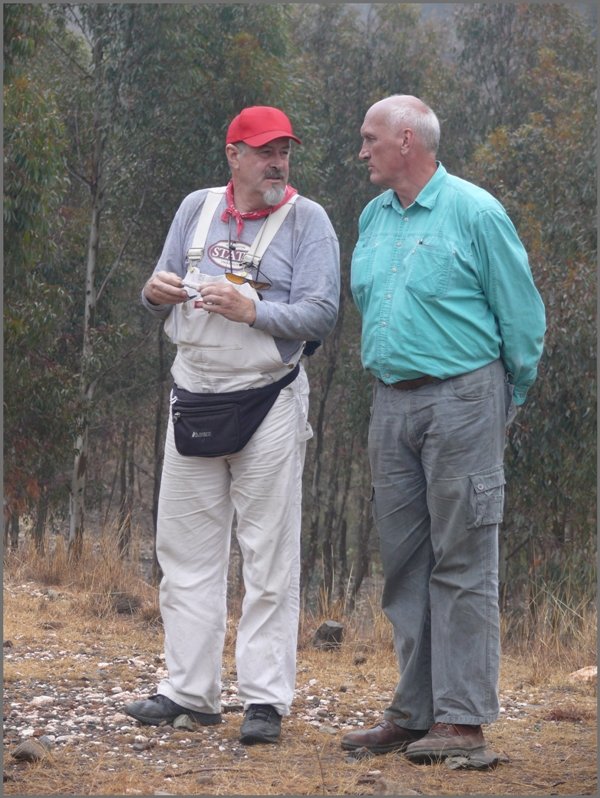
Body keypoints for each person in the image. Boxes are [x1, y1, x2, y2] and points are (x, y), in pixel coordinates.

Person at [126, 106, 340, 745]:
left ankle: (265, 702)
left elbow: (322, 313)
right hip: (193, 392)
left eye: (285, 152)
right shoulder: (195, 207)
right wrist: (154, 291)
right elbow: (155, 286)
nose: (278, 163)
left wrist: (254, 310)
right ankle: (188, 692)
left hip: (266, 398)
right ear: (234, 155)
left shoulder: (309, 220)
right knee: (184, 551)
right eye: (265, 151)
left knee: (268, 555)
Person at [340, 95, 545, 762]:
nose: (362, 151)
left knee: (463, 558)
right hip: (391, 402)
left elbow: (522, 320)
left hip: (464, 398)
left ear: (407, 141)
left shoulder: (475, 212)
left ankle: (463, 721)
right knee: (404, 563)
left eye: (371, 139)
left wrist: (498, 402)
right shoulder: (373, 217)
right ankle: (414, 712)